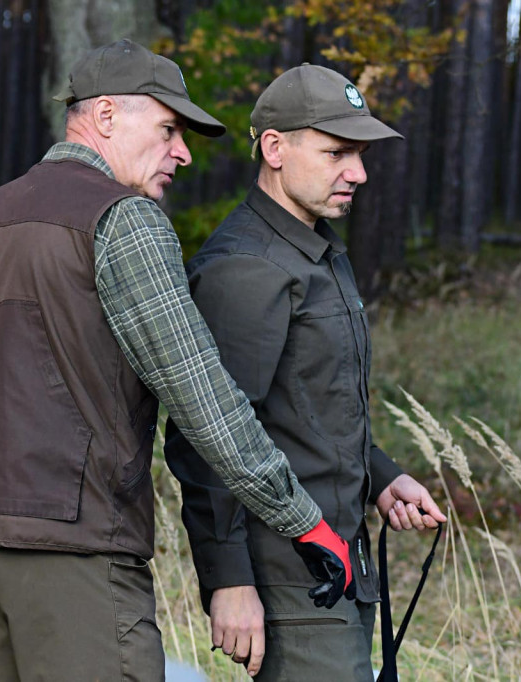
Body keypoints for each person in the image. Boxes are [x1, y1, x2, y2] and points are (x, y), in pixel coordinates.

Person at [0, 41, 355, 682]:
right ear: (106, 116)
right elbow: (203, 398)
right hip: (76, 554)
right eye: (169, 129)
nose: (183, 152)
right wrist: (304, 523)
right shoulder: (123, 219)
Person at [164, 64, 447, 680]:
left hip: (338, 567)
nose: (358, 173)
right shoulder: (246, 268)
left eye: (361, 154)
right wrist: (230, 581)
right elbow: (204, 437)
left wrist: (381, 477)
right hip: (289, 584)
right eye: (336, 152)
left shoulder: (313, 252)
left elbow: (310, 407)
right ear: (274, 147)